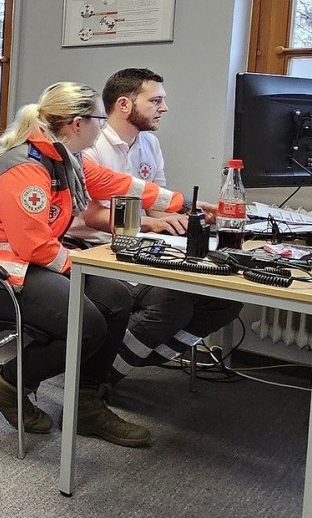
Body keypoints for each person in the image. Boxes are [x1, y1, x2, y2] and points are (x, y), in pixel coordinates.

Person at [0, 82, 190, 448]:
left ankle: (86, 404)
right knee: (86, 323)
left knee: (116, 297)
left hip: (17, 263)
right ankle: (7, 384)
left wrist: (181, 204)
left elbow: (118, 183)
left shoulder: (64, 159)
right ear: (76, 124)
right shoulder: (24, 165)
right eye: (99, 120)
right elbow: (35, 245)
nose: (103, 127)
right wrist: (82, 264)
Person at [69, 68, 241, 395]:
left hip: (138, 245)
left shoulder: (149, 142)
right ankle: (98, 378)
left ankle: (126, 358)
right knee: (174, 305)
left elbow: (157, 200)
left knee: (225, 302)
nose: (164, 108)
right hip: (93, 249)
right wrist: (153, 223)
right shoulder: (90, 145)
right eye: (155, 101)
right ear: (124, 104)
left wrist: (197, 211)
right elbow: (91, 216)